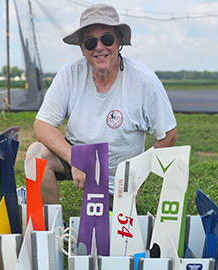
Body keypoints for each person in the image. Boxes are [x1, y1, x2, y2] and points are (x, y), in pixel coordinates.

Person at [31, 4, 177, 205]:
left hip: (119, 174)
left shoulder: (144, 80)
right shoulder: (69, 74)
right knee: (36, 155)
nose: (99, 47)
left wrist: (136, 175)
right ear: (82, 49)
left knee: (112, 231)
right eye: (91, 42)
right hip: (76, 156)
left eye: (107, 39)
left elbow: (168, 134)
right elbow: (42, 125)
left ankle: (115, 196)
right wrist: (76, 159)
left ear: (119, 42)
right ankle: (52, 226)